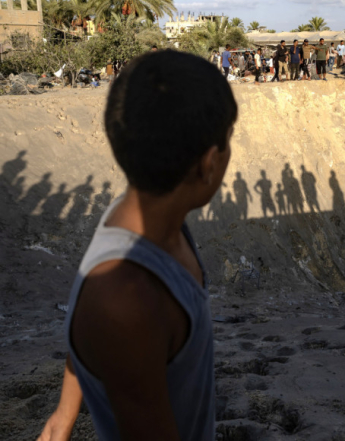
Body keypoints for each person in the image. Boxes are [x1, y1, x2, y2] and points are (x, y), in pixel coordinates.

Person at [37, 50, 237, 441]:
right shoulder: (128, 301)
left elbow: (99, 346)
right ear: (208, 162)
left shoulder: (139, 217)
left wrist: (63, 415)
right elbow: (110, 327)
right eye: (228, 141)